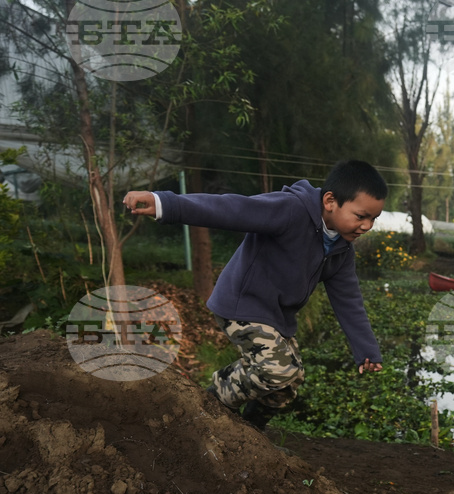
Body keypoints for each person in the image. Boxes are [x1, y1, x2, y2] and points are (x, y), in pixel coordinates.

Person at [122, 160, 386, 431]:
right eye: (361, 216)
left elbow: (348, 300)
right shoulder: (291, 209)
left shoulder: (342, 250)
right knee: (278, 370)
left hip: (276, 317)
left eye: (373, 219)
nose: (367, 226)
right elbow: (231, 209)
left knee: (289, 384)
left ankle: (249, 434)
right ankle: (212, 399)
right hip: (242, 304)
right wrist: (166, 203)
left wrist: (366, 350)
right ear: (330, 201)